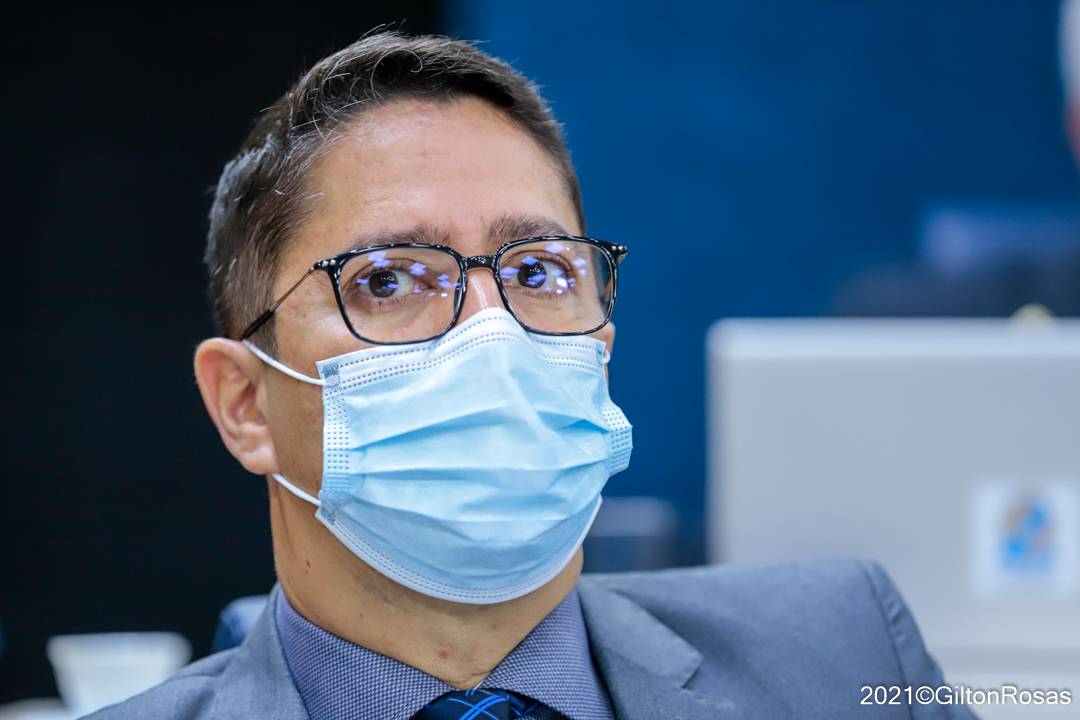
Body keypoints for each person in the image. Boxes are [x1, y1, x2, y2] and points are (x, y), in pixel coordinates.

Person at [89, 32, 974, 720]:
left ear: (602, 346)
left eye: (540, 271)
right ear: (244, 403)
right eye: (388, 281)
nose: (495, 330)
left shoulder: (846, 651)